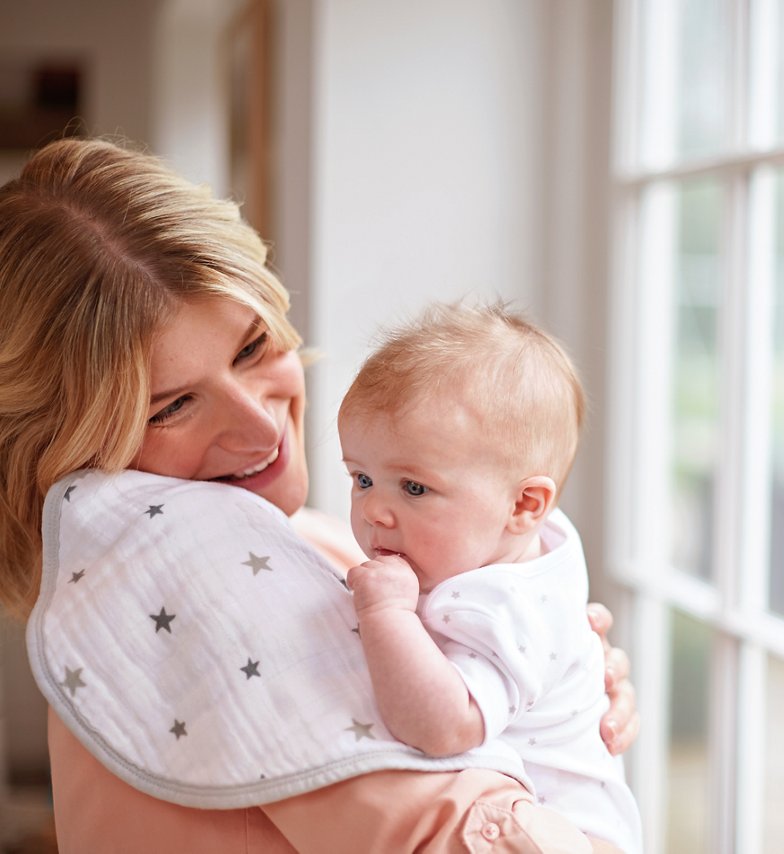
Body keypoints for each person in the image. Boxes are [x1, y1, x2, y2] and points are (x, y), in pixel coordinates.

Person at [0, 137, 638, 852]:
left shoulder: (323, 538)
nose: (256, 424)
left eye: (251, 348)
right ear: (76, 441)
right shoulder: (194, 557)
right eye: (172, 405)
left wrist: (551, 695)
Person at [341, 305, 642, 854]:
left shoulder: (498, 604)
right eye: (362, 478)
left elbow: (444, 726)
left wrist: (385, 615)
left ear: (526, 504)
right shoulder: (517, 541)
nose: (373, 511)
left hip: (562, 836)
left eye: (413, 488)